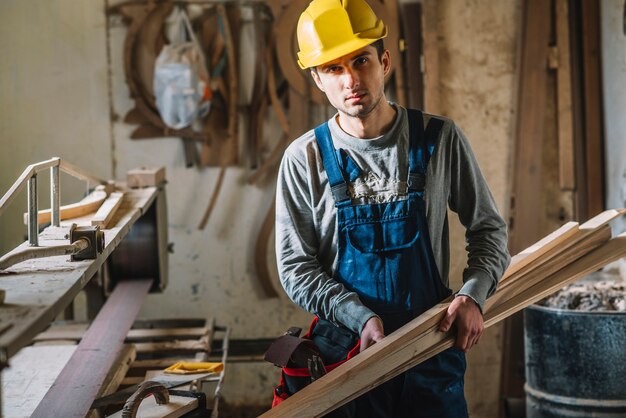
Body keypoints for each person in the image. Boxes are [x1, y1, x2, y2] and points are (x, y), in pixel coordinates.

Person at [275, 0, 510, 416]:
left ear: (384, 62)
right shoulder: (304, 158)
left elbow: (488, 229)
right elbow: (295, 267)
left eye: (361, 61)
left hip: (430, 347)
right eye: (333, 68)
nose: (351, 79)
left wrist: (474, 296)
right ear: (316, 78)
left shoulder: (440, 138)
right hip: (347, 356)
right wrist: (358, 316)